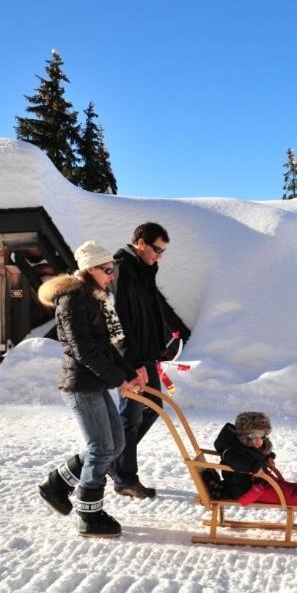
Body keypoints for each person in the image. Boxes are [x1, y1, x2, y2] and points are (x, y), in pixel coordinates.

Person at [36, 241, 146, 538]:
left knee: (116, 445)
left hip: (95, 382)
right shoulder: (72, 300)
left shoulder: (94, 297)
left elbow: (106, 348)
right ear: (89, 269)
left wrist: (129, 374)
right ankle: (89, 515)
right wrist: (119, 380)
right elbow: (85, 351)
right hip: (80, 385)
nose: (111, 275)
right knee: (100, 448)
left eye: (113, 269)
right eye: (107, 269)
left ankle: (57, 484)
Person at [109, 222, 192, 499]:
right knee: (131, 416)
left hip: (147, 355)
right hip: (132, 359)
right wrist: (130, 363)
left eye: (163, 251)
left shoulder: (145, 271)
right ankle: (124, 476)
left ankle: (113, 461)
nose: (159, 255)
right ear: (140, 242)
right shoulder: (122, 269)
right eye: (156, 249)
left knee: (154, 406)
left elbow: (149, 313)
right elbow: (119, 319)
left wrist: (160, 345)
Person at [213, 412, 297, 506]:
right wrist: (253, 466)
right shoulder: (232, 449)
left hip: (260, 481)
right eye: (253, 436)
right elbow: (237, 460)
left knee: (285, 486)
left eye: (261, 436)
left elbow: (255, 454)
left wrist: (268, 457)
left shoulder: (248, 445)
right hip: (245, 490)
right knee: (283, 495)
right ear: (243, 435)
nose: (258, 440)